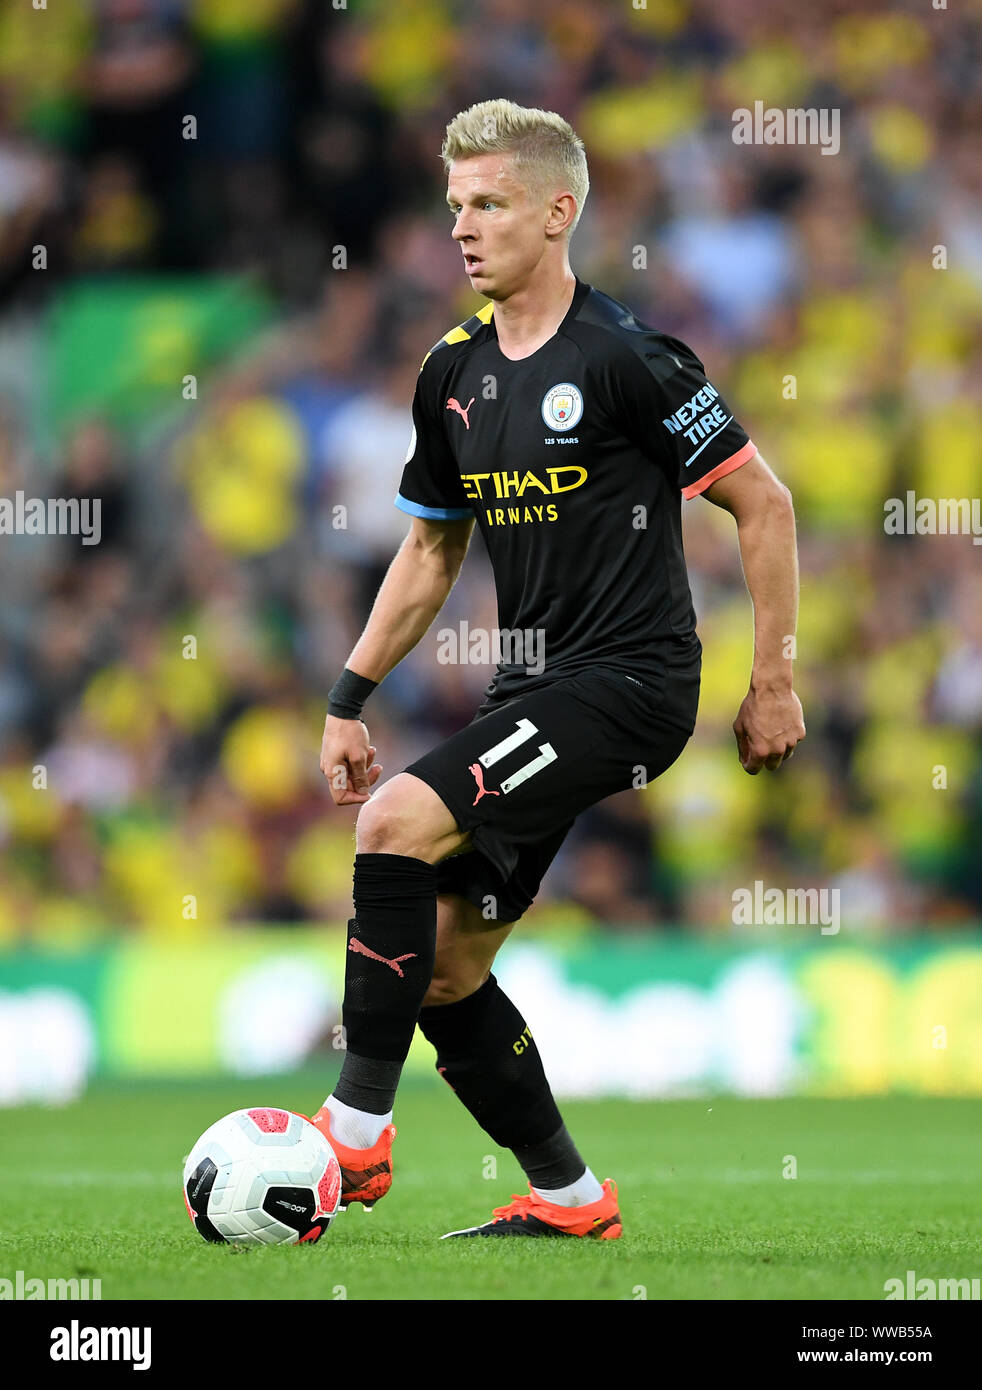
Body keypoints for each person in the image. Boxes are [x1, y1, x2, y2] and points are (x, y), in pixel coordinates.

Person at [311, 99, 805, 1239]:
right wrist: (348, 697)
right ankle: (574, 1200)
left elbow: (762, 503)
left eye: (487, 204)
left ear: (556, 211)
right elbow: (431, 546)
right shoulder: (452, 373)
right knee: (439, 965)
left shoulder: (630, 358)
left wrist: (770, 677)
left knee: (391, 823)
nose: (463, 229)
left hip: (631, 681)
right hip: (531, 688)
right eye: (454, 208)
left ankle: (353, 1131)